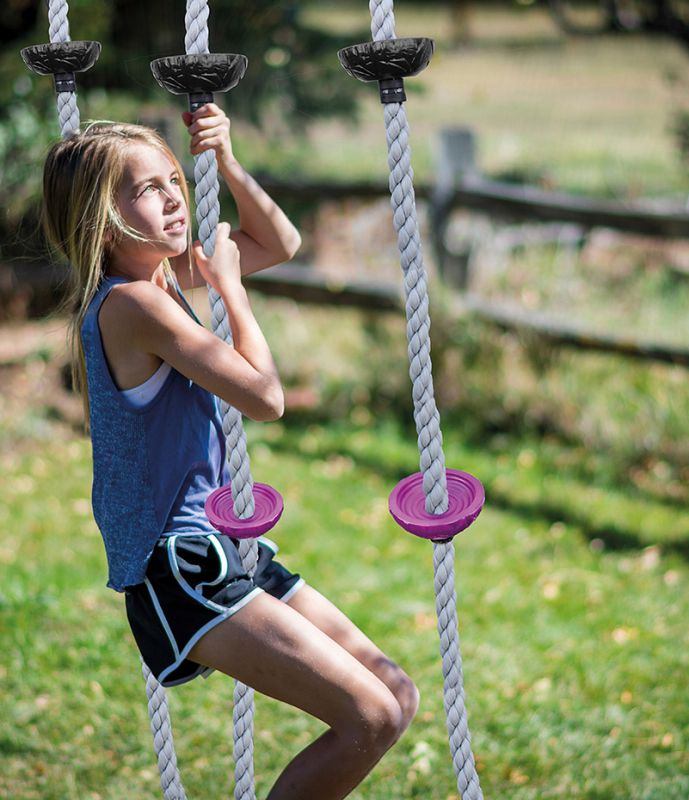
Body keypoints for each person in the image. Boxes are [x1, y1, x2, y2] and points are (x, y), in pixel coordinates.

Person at [40, 103, 419, 800]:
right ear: (105, 217)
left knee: (394, 695)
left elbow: (280, 241)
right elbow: (265, 397)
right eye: (147, 189)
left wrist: (228, 163)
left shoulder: (157, 278)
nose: (173, 197)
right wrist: (231, 292)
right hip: (180, 566)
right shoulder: (132, 304)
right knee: (368, 715)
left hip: (221, 549)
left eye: (173, 179)